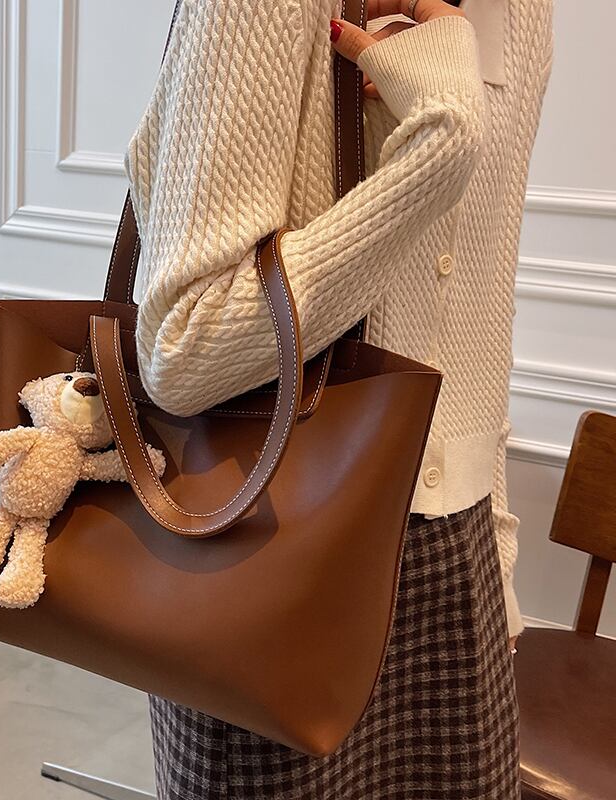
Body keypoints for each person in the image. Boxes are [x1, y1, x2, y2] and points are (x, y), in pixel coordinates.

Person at [123, 0, 554, 796]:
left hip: (459, 564)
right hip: (265, 541)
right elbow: (181, 351)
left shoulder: (524, 14)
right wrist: (437, 150)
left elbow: (482, 309)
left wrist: (497, 564)